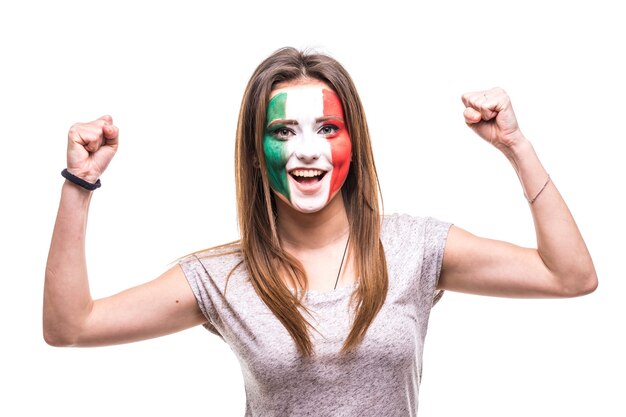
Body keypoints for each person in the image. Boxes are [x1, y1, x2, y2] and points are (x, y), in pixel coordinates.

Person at [43, 47, 597, 416]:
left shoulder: (415, 249)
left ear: (352, 143)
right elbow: (70, 326)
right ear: (257, 154)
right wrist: (79, 183)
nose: (307, 150)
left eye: (327, 127)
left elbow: (569, 275)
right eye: (284, 130)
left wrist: (515, 147)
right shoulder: (222, 278)